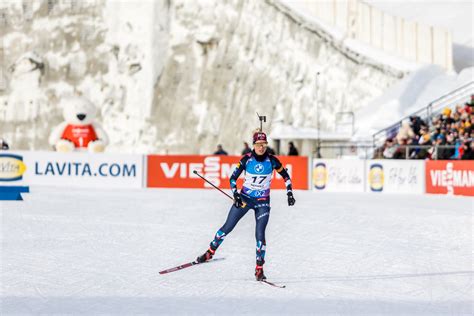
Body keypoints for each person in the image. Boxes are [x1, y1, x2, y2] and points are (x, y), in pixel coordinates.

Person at [196, 130, 296, 281]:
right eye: (258, 144)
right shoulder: (246, 160)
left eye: (263, 144)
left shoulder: (272, 161)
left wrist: (289, 193)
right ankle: (210, 251)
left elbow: (286, 176)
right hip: (245, 199)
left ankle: (259, 269)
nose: (261, 147)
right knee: (227, 227)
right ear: (253, 145)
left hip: (263, 202)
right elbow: (233, 178)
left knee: (260, 234)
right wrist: (235, 194)